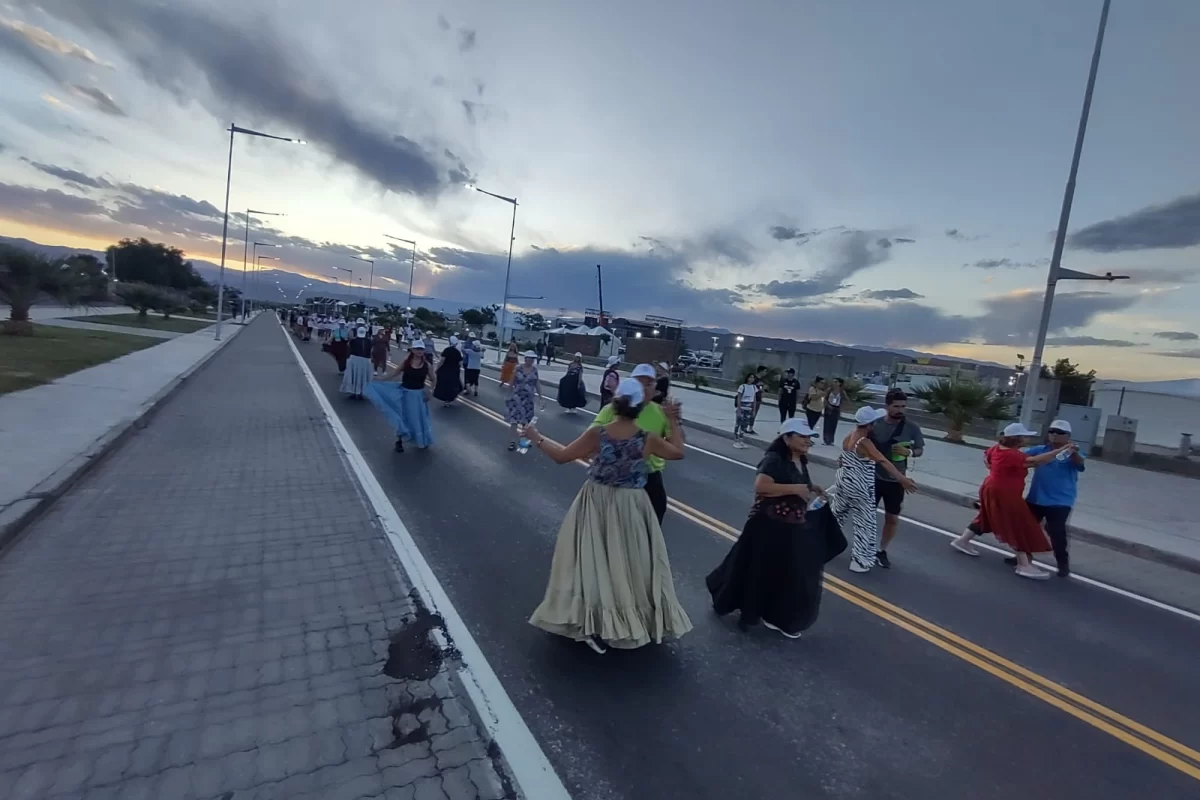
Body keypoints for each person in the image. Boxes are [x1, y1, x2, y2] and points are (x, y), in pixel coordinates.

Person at [524, 378, 692, 653]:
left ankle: (591, 621)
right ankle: (631, 620)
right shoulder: (646, 438)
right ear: (641, 407)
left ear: (615, 402)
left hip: (597, 501)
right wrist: (672, 421)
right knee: (628, 564)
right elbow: (678, 452)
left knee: (592, 562)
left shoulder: (599, 434)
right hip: (632, 504)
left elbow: (562, 456)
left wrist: (536, 437)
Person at [706, 419, 846, 639]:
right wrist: (796, 488)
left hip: (790, 526)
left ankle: (774, 615)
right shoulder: (773, 459)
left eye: (809, 437)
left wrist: (811, 488)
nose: (807, 441)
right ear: (786, 438)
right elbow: (761, 486)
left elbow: (797, 485)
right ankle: (750, 611)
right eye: (802, 437)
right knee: (758, 571)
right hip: (767, 526)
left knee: (781, 573)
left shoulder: (800, 460)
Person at [950, 423, 1073, 580]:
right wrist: (1061, 451)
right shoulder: (1013, 455)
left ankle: (962, 540)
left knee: (987, 516)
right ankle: (1024, 565)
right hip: (1005, 493)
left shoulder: (997, 448)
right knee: (1016, 524)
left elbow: (986, 458)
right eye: (1025, 436)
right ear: (1018, 439)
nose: (1028, 439)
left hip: (990, 487)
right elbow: (1036, 461)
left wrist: (997, 471)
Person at [593, 363, 681, 524]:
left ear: (655, 387)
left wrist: (673, 421)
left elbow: (676, 449)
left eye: (649, 383)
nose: (644, 387)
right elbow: (592, 438)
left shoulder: (661, 412)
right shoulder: (611, 410)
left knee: (650, 530)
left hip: (650, 478)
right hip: (617, 479)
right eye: (640, 382)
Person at [834, 406, 917, 573]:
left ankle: (820, 545)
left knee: (836, 515)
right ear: (870, 425)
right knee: (865, 524)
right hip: (860, 486)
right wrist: (902, 479)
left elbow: (842, 459)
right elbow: (883, 461)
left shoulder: (849, 437)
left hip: (844, 482)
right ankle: (860, 562)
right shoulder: (864, 442)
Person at [1021, 420, 1086, 577]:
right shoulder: (1040, 450)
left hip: (1060, 501)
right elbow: (1020, 459)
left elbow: (1080, 465)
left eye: (1059, 432)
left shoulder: (1072, 453)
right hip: (1036, 498)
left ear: (1067, 436)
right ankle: (1023, 557)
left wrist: (1073, 452)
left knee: (1057, 533)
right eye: (1052, 431)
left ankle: (1062, 564)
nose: (1055, 435)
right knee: (1026, 529)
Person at [868, 389, 924, 569]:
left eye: (903, 406)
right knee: (867, 516)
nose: (900, 410)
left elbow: (920, 450)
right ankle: (865, 546)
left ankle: (882, 550)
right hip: (873, 477)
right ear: (887, 406)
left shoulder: (912, 427)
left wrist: (909, 452)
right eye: (896, 406)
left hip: (896, 482)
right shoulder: (875, 425)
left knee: (892, 518)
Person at [367, 341, 435, 453]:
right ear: (412, 350)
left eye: (421, 349)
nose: (419, 351)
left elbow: (433, 379)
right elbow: (394, 373)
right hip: (405, 394)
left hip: (418, 396)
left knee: (419, 419)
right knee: (402, 418)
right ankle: (399, 441)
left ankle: (422, 440)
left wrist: (430, 391)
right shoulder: (406, 363)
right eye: (417, 349)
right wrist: (380, 380)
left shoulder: (427, 365)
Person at [505, 351, 544, 450]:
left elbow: (537, 383)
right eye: (529, 359)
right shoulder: (518, 368)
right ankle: (512, 442)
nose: (531, 361)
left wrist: (541, 397)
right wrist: (508, 395)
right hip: (517, 398)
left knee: (526, 423)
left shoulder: (534, 370)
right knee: (514, 421)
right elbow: (512, 381)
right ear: (525, 358)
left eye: (533, 359)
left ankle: (523, 442)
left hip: (528, 400)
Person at [340, 326, 373, 400]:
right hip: (365, 360)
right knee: (363, 377)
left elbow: (348, 347)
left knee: (354, 376)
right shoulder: (369, 341)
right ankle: (361, 392)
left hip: (355, 359)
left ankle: (354, 392)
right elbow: (371, 351)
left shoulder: (353, 340)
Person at [433, 339, 464, 406]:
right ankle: (450, 398)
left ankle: (445, 399)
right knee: (453, 385)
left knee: (444, 385)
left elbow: (442, 360)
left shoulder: (446, 350)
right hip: (454, 371)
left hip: (445, 370)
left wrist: (437, 368)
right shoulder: (457, 352)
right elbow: (460, 363)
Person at [733, 374, 758, 449]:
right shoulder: (742, 386)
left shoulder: (754, 387)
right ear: (747, 378)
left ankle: (741, 440)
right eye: (750, 377)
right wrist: (739, 409)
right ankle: (736, 440)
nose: (752, 379)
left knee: (745, 425)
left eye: (753, 377)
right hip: (742, 406)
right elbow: (739, 398)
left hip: (749, 408)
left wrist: (754, 410)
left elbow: (754, 399)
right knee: (739, 423)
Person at [823, 378, 845, 446]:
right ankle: (826, 439)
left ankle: (831, 440)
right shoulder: (829, 390)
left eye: (836, 382)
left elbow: (843, 401)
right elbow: (825, 399)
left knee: (833, 424)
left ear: (839, 383)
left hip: (836, 408)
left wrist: (841, 410)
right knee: (827, 424)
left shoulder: (841, 391)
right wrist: (827, 405)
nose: (834, 383)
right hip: (829, 407)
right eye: (834, 382)